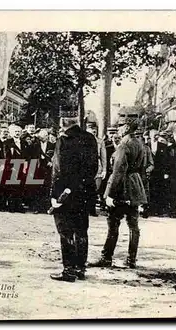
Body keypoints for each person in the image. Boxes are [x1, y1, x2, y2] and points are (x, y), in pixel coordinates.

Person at [90, 118, 147, 269]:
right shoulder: (140, 144)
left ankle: (106, 257)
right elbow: (142, 167)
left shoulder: (124, 146)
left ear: (127, 127)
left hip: (122, 188)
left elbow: (117, 172)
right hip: (135, 186)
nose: (118, 129)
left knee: (113, 223)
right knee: (133, 225)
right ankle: (131, 260)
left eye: (120, 126)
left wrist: (109, 194)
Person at [49, 107, 98, 282]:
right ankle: (80, 269)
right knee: (82, 231)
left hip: (66, 193)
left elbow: (59, 170)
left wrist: (56, 196)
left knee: (66, 231)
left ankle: (68, 270)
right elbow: (94, 167)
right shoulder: (90, 138)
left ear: (63, 122)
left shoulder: (64, 140)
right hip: (84, 192)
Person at [86, 123, 107, 217]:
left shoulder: (100, 141)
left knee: (96, 189)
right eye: (91, 128)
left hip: (98, 166)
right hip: (86, 167)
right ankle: (86, 208)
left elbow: (103, 156)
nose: (93, 131)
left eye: (95, 129)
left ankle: (92, 208)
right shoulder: (82, 141)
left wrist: (104, 169)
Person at [32, 128, 55, 214]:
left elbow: (54, 156)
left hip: (47, 169)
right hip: (38, 169)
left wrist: (51, 162)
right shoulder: (35, 145)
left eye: (45, 136)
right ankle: (37, 207)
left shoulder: (52, 145)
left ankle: (45, 207)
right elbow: (32, 156)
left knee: (47, 188)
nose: (43, 137)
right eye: (41, 136)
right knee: (37, 188)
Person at [148, 130, 170, 216]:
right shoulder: (146, 146)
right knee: (149, 190)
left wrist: (166, 172)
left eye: (157, 135)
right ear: (150, 136)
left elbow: (166, 160)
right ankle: (150, 209)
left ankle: (158, 210)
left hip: (159, 172)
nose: (155, 136)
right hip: (149, 171)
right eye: (154, 135)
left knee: (159, 190)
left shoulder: (163, 146)